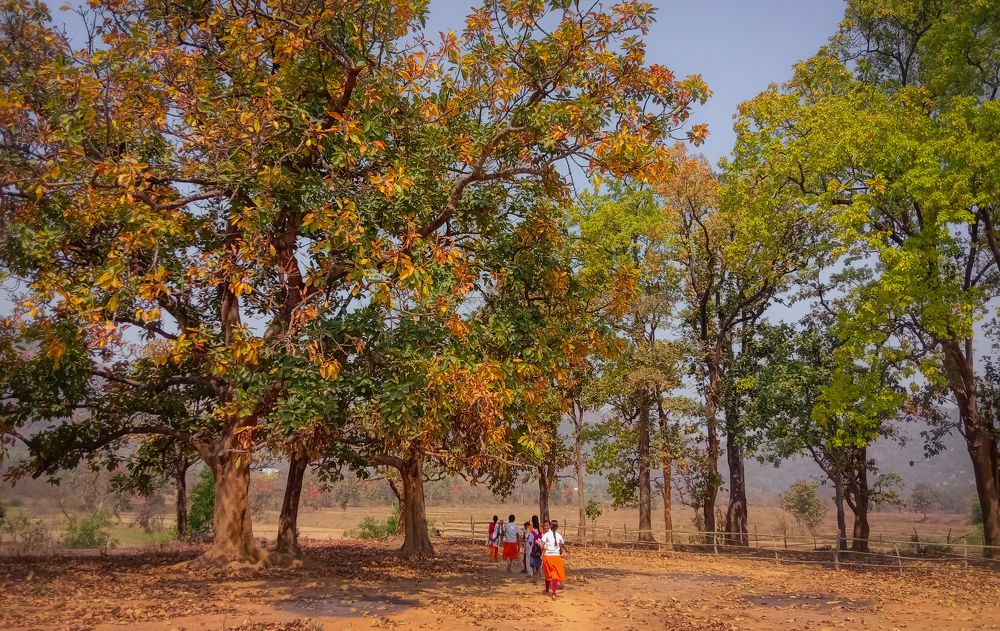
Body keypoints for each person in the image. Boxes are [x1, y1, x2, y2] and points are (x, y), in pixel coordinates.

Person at [540, 519, 567, 599]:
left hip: (547, 557)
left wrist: (543, 550)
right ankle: (554, 593)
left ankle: (547, 589)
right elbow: (563, 545)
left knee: (547, 573)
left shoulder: (546, 535)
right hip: (556, 558)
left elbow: (541, 546)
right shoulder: (559, 535)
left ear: (550, 526)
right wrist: (567, 550)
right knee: (554, 576)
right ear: (557, 527)